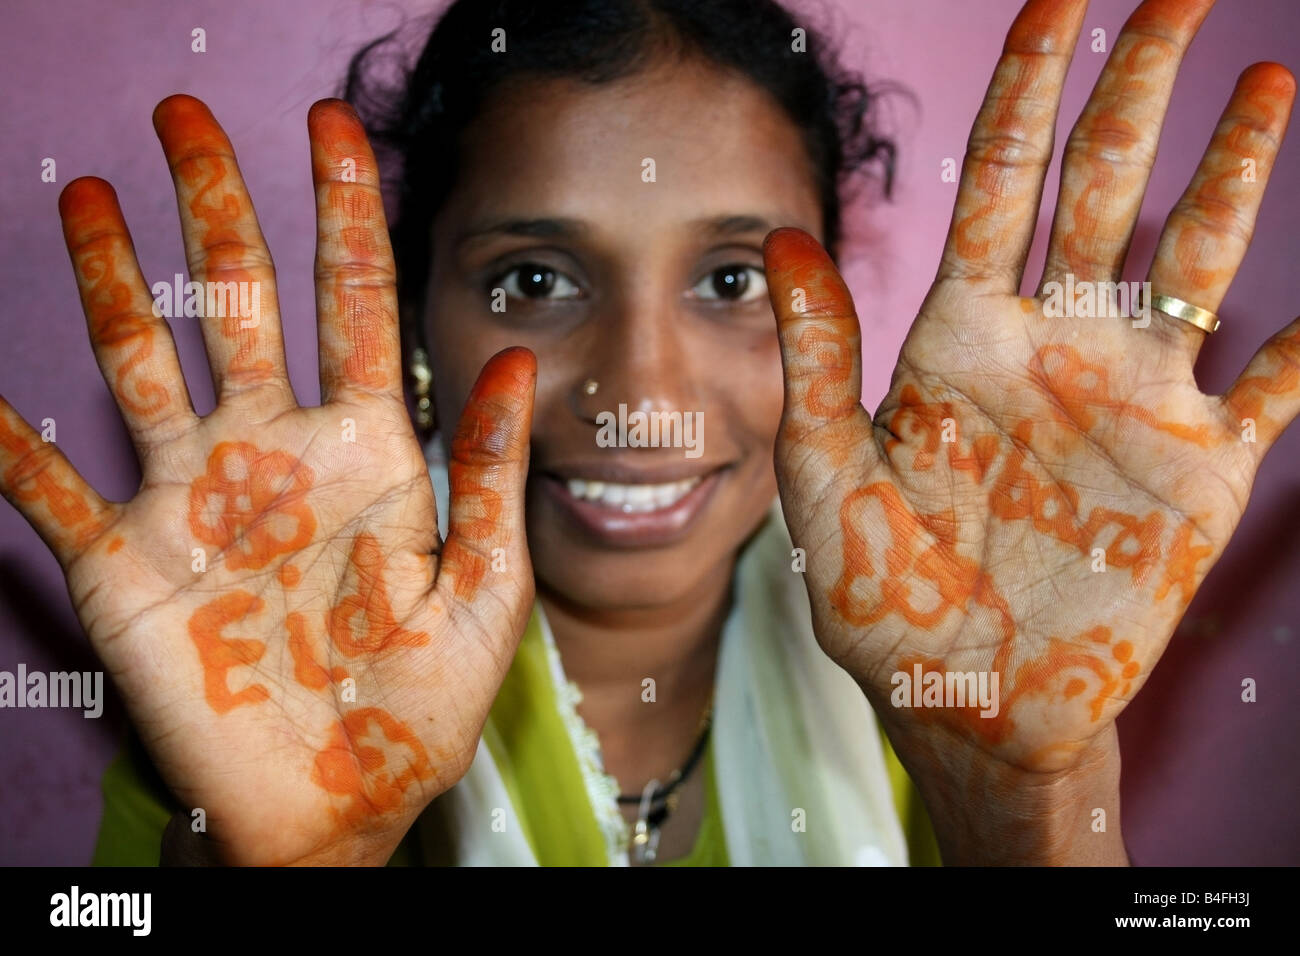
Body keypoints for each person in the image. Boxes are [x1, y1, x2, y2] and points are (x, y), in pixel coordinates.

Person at [3, 0, 1295, 866]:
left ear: (832, 322)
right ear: (410, 335)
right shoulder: (241, 709)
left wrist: (1025, 807)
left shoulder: (947, 698)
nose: (636, 385)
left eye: (734, 280)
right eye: (535, 280)